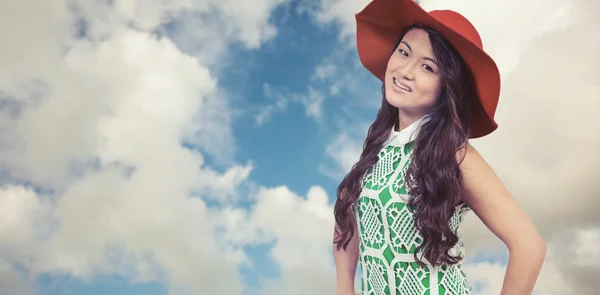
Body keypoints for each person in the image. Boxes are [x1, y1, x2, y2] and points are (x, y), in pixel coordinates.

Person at [332, 0, 547, 294]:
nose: (406, 70)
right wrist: (344, 287)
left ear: (448, 87)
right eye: (404, 52)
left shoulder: (457, 156)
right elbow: (346, 217)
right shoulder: (378, 149)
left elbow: (529, 245)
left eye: (427, 67)